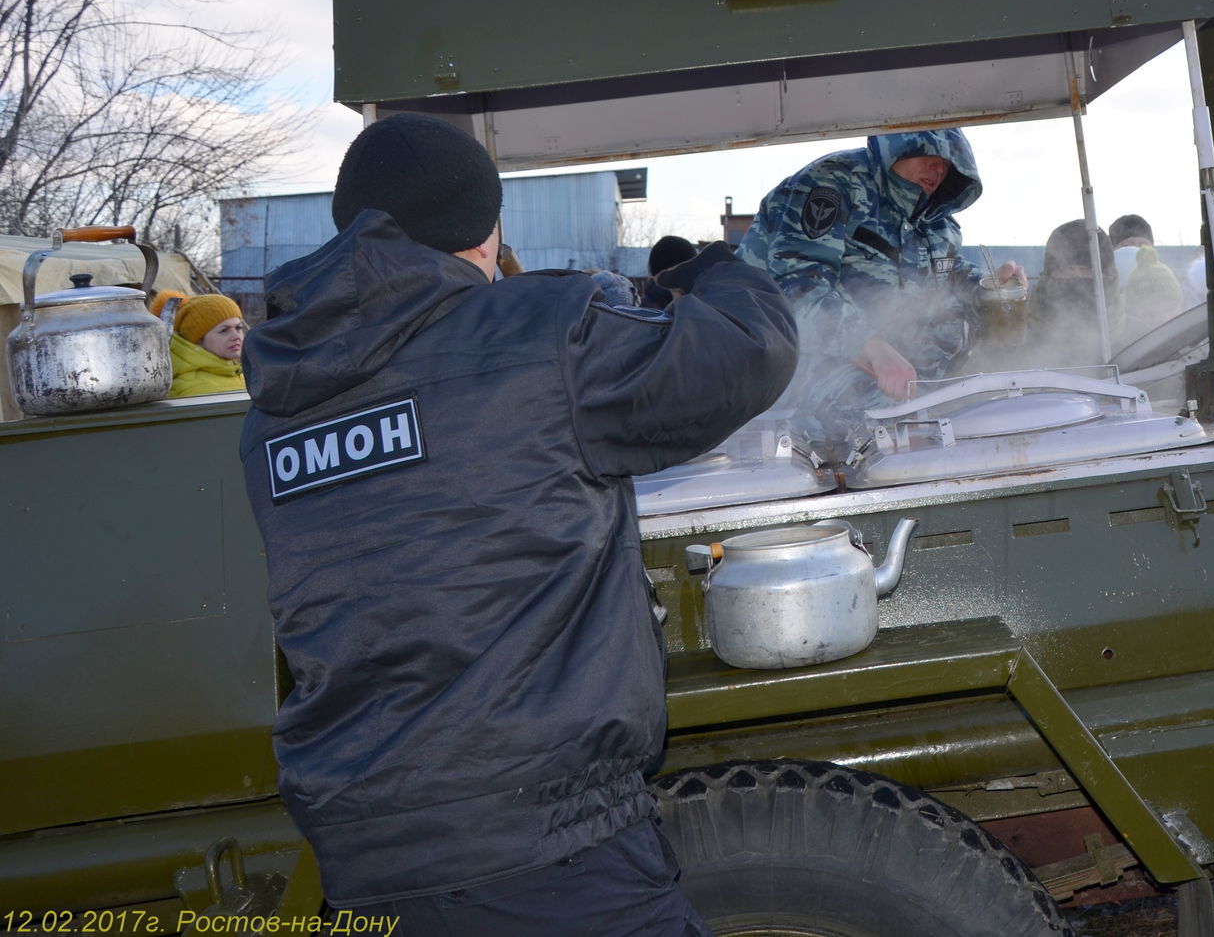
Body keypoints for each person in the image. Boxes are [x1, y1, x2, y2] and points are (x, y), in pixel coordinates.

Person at [238, 113, 798, 935]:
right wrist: (719, 268)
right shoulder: (538, 336)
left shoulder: (274, 409)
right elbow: (750, 351)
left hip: (366, 852)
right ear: (482, 232)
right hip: (545, 841)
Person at [736, 128, 1018, 441]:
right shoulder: (831, 184)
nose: (939, 169)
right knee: (897, 426)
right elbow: (797, 288)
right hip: (792, 361)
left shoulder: (934, 220)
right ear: (897, 144)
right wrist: (872, 348)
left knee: (995, 406)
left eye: (949, 163)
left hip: (896, 367)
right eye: (931, 153)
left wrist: (989, 288)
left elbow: (948, 273)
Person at [1021, 219, 1120, 367]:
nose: (1077, 278)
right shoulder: (1019, 335)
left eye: (1088, 270)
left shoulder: (1138, 341)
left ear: (1108, 276)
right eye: (1066, 270)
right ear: (1048, 275)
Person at [150, 292, 248, 396]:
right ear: (198, 339)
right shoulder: (196, 389)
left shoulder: (238, 373)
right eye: (224, 330)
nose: (236, 336)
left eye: (238, 328)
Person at [1107, 213, 1185, 342]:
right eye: (1127, 245)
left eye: (1143, 244)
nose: (1137, 250)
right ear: (1113, 250)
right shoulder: (1106, 289)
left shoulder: (1166, 280)